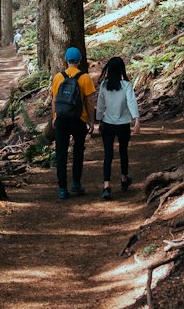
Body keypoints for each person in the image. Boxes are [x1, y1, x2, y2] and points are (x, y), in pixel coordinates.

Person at [50, 46, 97, 199]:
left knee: (61, 154)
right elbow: (89, 101)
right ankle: (76, 184)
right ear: (79, 61)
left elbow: (55, 100)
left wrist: (54, 117)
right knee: (78, 151)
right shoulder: (84, 78)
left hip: (61, 119)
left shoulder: (58, 77)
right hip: (78, 119)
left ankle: (62, 188)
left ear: (66, 60)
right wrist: (91, 120)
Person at [95, 55, 141, 198]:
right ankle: (123, 178)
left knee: (108, 155)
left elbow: (100, 105)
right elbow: (131, 102)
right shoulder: (126, 85)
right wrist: (136, 119)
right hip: (123, 125)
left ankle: (106, 186)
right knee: (123, 152)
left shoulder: (104, 85)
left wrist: (98, 120)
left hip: (108, 124)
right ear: (122, 69)